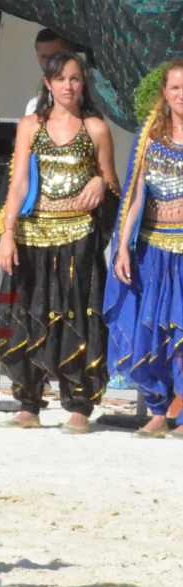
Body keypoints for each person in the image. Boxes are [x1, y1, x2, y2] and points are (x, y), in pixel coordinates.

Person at [0, 52, 118, 433]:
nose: (69, 85)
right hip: (33, 235)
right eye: (61, 79)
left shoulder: (95, 128)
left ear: (84, 84)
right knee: (30, 315)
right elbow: (18, 184)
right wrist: (7, 235)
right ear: (48, 84)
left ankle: (80, 404)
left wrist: (100, 183)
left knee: (76, 316)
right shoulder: (30, 126)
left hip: (78, 237)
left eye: (75, 79)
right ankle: (29, 402)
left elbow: (112, 183)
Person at [105, 60, 183, 437]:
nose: (181, 95)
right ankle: (157, 408)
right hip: (153, 248)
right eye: (175, 89)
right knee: (152, 331)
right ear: (164, 94)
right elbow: (135, 197)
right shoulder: (149, 138)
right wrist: (122, 246)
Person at [25, 29, 74, 115]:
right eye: (44, 56)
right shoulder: (33, 106)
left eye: (54, 55)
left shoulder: (84, 97)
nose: (48, 61)